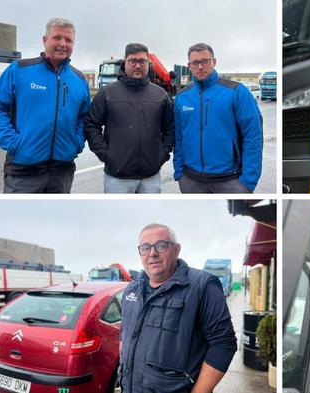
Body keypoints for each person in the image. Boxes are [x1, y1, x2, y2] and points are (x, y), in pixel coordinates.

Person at [120, 223, 237, 393]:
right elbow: (124, 334)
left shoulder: (202, 286)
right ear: (140, 253)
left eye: (161, 245)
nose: (152, 253)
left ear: (176, 250)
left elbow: (223, 344)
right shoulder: (131, 290)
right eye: (145, 247)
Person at [0, 17, 90, 193]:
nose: (63, 44)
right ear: (44, 40)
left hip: (62, 171)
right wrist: (13, 142)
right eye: (57, 37)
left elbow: (84, 117)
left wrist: (76, 142)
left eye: (68, 40)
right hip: (23, 171)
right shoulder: (20, 70)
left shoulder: (79, 80)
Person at [173, 43, 263, 193]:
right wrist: (179, 173)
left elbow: (253, 136)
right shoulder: (183, 97)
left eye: (205, 61)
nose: (200, 66)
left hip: (230, 181)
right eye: (195, 63)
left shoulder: (236, 92)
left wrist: (248, 181)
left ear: (214, 62)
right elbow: (178, 137)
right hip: (191, 181)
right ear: (189, 65)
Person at [85, 43, 174, 193]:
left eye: (142, 61)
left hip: (151, 177)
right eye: (133, 61)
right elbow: (92, 125)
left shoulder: (160, 95)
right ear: (125, 62)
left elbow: (170, 128)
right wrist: (107, 156)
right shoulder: (107, 93)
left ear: (148, 63)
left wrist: (162, 155)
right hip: (117, 178)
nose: (138, 66)